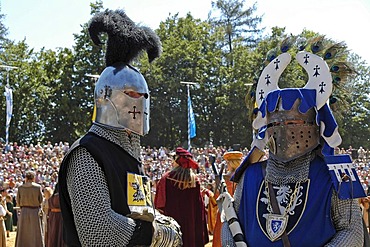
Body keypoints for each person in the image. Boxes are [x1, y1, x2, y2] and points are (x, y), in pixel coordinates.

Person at [219, 37, 367, 246]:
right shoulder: (250, 176)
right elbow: (231, 223)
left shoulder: (336, 176)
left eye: (294, 123)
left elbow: (351, 231)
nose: (285, 132)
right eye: (275, 125)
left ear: (315, 125)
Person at [58, 9, 182, 247]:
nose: (139, 102)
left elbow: (138, 212)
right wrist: (157, 234)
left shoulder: (131, 154)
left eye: (143, 96)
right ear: (107, 96)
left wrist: (156, 219)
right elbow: (98, 232)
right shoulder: (87, 154)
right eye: (131, 94)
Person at [154, 147, 209, 247]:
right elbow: (199, 207)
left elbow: (159, 204)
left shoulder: (166, 178)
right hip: (190, 225)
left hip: (171, 227)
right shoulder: (194, 181)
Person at [15, 170, 44, 247]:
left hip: (24, 211)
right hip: (35, 211)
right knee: (36, 232)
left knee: (23, 232)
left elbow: (18, 200)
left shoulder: (20, 188)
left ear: (26, 178)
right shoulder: (37, 187)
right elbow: (41, 200)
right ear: (33, 178)